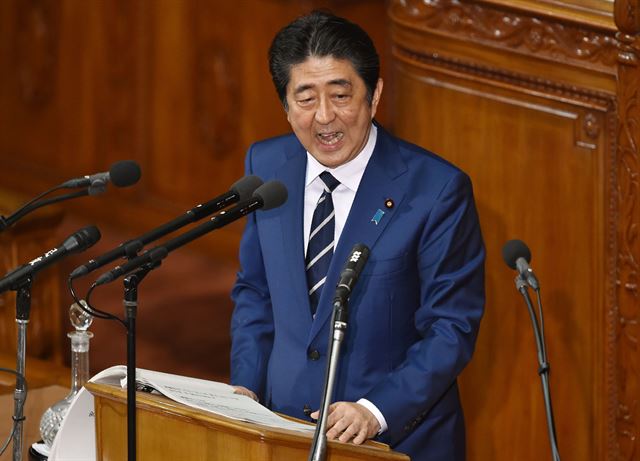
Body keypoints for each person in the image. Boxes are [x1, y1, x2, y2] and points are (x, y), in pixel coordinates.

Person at [230, 10, 485, 461]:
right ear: (285, 107)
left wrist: (376, 410)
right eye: (305, 98)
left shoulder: (436, 190)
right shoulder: (266, 167)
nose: (325, 117)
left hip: (393, 441)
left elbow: (451, 327)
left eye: (341, 95)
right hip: (281, 431)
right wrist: (245, 386)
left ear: (375, 94)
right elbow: (256, 292)